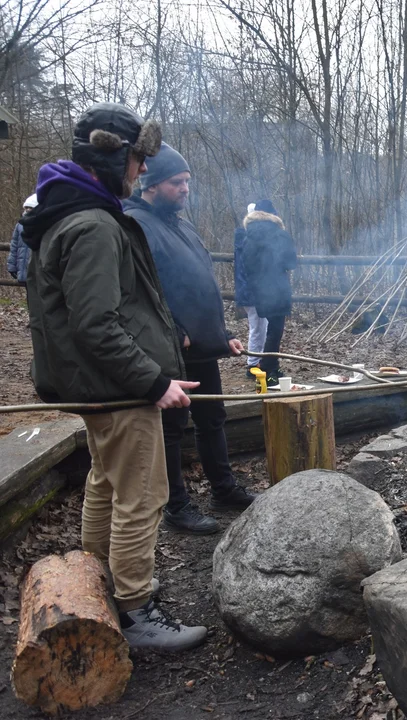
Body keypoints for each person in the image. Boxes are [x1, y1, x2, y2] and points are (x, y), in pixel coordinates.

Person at [20, 102, 206, 651]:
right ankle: (136, 606)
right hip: (118, 389)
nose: (141, 172)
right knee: (142, 495)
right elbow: (97, 323)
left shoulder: (73, 213)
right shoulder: (93, 224)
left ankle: (95, 579)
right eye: (136, 161)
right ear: (114, 158)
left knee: (106, 481)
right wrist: (153, 381)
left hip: (101, 387)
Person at [125, 143, 257, 535]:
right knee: (171, 427)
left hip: (200, 343)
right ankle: (176, 507)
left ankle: (223, 489)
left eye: (186, 182)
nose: (185, 189)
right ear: (150, 183)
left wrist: (224, 334)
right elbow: (140, 291)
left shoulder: (179, 222)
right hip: (169, 347)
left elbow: (201, 287)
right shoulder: (135, 224)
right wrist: (174, 330)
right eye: (176, 182)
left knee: (212, 416)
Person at [242, 199, 297, 386]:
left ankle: (270, 364)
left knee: (270, 329)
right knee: (275, 330)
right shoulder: (279, 234)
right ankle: (268, 368)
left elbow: (247, 264)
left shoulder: (248, 236)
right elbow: (291, 262)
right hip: (278, 287)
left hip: (260, 288)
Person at [234, 202, 268, 381]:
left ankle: (258, 360)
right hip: (252, 292)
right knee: (258, 328)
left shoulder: (245, 239)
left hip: (251, 291)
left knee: (261, 327)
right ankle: (253, 364)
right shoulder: (247, 240)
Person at [7, 194, 35, 285]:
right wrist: (11, 266)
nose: (28, 210)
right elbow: (14, 246)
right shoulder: (20, 225)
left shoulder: (43, 224)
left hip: (37, 273)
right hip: (23, 270)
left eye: (30, 207)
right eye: (26, 207)